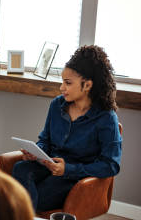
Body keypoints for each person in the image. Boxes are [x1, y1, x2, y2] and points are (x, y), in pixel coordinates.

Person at [12, 45, 122, 211]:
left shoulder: (106, 118)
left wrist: (68, 169)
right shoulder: (57, 105)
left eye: (68, 83)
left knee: (28, 198)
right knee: (20, 168)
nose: (61, 87)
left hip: (73, 178)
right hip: (48, 166)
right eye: (62, 81)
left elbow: (111, 165)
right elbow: (45, 140)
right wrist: (36, 152)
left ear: (87, 85)